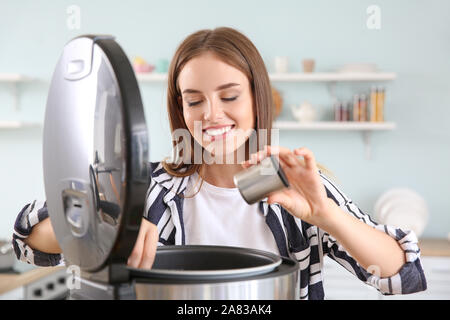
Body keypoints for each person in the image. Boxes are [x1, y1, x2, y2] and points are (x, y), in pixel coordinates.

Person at [12, 27, 426, 300]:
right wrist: (110, 225)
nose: (211, 114)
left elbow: (399, 274)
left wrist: (325, 215)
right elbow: (29, 242)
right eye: (194, 100)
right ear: (180, 107)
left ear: (256, 98)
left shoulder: (295, 184)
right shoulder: (150, 184)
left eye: (229, 96)